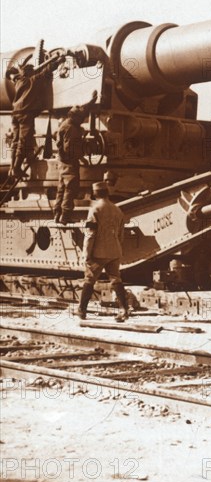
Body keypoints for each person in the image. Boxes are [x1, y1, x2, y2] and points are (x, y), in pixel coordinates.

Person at [6, 53, 66, 179]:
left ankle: (12, 168)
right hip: (25, 115)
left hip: (15, 114)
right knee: (24, 141)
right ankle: (16, 168)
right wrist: (59, 60)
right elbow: (47, 71)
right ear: (30, 73)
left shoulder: (19, 81)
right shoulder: (32, 80)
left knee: (15, 141)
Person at [77, 181, 128, 322]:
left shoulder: (95, 209)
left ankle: (82, 311)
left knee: (89, 279)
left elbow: (90, 234)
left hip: (98, 253)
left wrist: (86, 253)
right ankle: (124, 310)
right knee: (116, 279)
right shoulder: (118, 210)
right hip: (115, 251)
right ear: (107, 192)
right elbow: (121, 234)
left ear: (95, 193)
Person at [54, 90, 98, 224]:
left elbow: (82, 109)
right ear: (76, 118)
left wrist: (92, 101)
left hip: (61, 163)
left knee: (61, 189)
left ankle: (57, 214)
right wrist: (81, 155)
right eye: (82, 119)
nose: (83, 121)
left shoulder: (66, 123)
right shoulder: (71, 129)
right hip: (69, 162)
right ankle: (65, 216)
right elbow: (69, 150)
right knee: (70, 189)